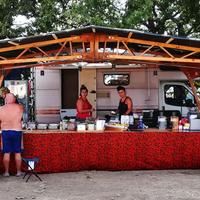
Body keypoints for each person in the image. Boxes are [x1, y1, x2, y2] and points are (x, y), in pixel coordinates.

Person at [0, 93, 24, 177]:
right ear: (14, 99)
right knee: (18, 152)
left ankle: (6, 172)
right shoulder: (20, 107)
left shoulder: (1, 109)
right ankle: (18, 172)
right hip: (17, 131)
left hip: (5, 131)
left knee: (6, 152)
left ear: (5, 99)